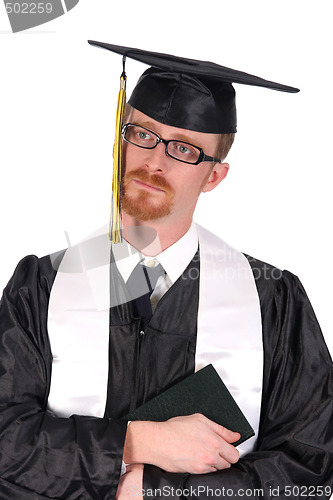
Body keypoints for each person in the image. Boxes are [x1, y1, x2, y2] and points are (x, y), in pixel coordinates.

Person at [0, 42, 332, 500]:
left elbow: (312, 472)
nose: (154, 161)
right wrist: (136, 442)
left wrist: (157, 489)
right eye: (142, 135)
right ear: (121, 138)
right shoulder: (39, 287)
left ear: (214, 176)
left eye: (184, 149)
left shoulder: (272, 300)